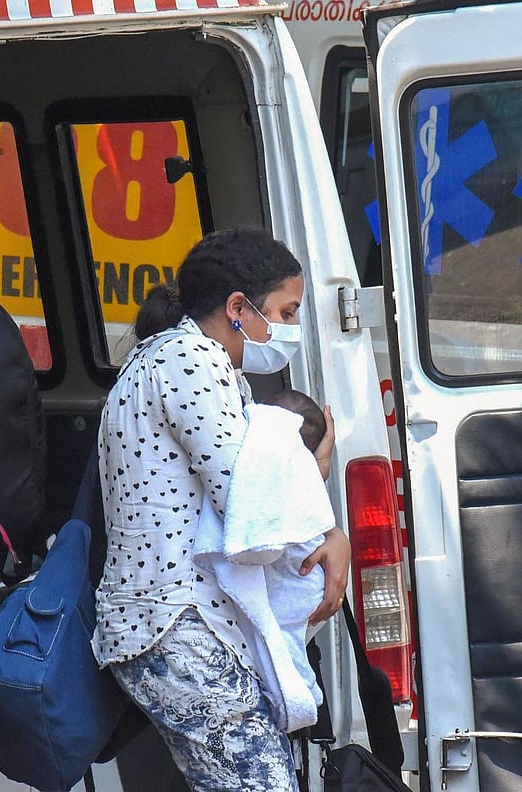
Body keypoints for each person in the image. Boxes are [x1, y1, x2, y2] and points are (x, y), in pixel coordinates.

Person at [92, 228, 350, 792]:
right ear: (238, 308)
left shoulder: (182, 360)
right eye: (285, 311)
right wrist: (322, 501)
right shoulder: (189, 360)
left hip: (174, 624)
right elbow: (252, 511)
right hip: (170, 625)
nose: (289, 328)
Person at [193, 387, 335, 734]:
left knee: (282, 640)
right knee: (286, 641)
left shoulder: (259, 469)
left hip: (297, 582)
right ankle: (297, 691)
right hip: (309, 583)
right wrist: (324, 457)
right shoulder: (307, 472)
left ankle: (297, 692)